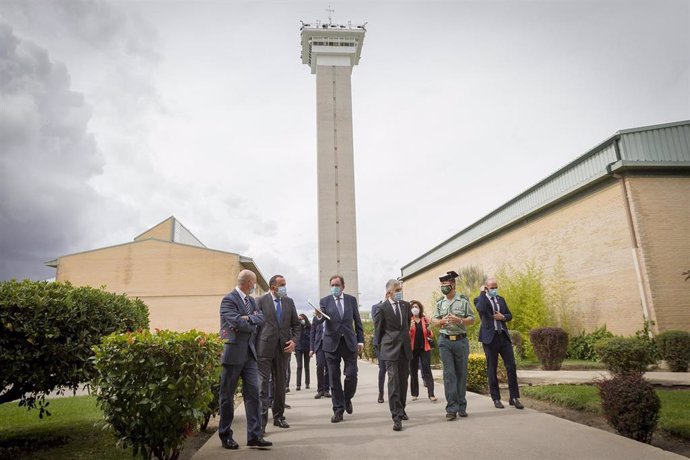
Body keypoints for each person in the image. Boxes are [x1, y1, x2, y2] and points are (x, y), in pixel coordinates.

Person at [218, 269, 272, 449]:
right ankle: (225, 435)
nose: (255, 286)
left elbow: (261, 318)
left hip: (249, 355)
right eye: (254, 283)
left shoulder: (251, 300)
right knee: (227, 397)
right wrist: (250, 321)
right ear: (249, 282)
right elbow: (236, 322)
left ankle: (254, 436)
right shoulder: (228, 300)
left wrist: (247, 318)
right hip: (233, 354)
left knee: (253, 395)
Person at [314, 275, 364, 423]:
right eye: (332, 285)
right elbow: (320, 320)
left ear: (343, 286)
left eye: (337, 285)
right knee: (334, 379)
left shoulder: (351, 300)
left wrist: (360, 340)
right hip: (331, 345)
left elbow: (357, 321)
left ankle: (347, 397)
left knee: (352, 374)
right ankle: (338, 410)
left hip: (349, 343)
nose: (334, 288)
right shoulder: (325, 301)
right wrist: (318, 316)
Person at [256, 274, 300, 433]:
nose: (284, 288)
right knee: (262, 385)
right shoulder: (260, 301)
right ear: (273, 287)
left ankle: (279, 417)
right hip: (264, 349)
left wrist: (294, 341)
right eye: (282, 285)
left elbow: (296, 325)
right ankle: (260, 423)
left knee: (280, 384)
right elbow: (255, 327)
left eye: (285, 284)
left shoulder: (289, 302)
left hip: (284, 349)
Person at [432, 270, 475, 421]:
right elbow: (434, 321)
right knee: (449, 375)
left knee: (461, 374)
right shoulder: (439, 303)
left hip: (460, 341)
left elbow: (472, 319)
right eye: (442, 284)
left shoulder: (463, 301)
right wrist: (441, 321)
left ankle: (462, 406)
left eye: (446, 284)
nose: (443, 287)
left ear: (453, 284)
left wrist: (460, 320)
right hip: (445, 341)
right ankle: (451, 408)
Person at [474, 277, 523, 410]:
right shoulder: (480, 299)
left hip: (503, 337)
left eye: (496, 287)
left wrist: (503, 317)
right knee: (492, 368)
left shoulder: (501, 299)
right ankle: (496, 398)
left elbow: (509, 315)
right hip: (490, 339)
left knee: (511, 366)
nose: (494, 290)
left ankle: (514, 397)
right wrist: (482, 293)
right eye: (491, 287)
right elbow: (481, 309)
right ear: (486, 287)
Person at [374, 279, 412, 431]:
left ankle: (401, 409)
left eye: (400, 289)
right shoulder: (382, 308)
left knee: (403, 381)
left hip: (404, 349)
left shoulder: (406, 305)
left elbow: (406, 326)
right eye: (397, 290)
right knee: (393, 382)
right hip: (389, 350)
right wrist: (379, 350)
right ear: (389, 292)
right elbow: (378, 330)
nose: (399, 292)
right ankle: (396, 416)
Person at [408, 300, 436, 402]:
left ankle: (431, 394)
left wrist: (429, 330)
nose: (415, 308)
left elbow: (431, 334)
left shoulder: (424, 319)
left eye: (417, 307)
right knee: (413, 371)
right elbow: (407, 336)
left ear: (420, 309)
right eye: (413, 307)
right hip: (412, 349)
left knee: (427, 370)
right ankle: (414, 394)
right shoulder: (409, 320)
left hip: (425, 348)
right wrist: (410, 328)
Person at [310, 314, 331, 399]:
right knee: (320, 365)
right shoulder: (315, 319)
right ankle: (320, 390)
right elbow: (312, 334)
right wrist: (311, 349)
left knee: (329, 367)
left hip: (329, 345)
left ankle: (326, 390)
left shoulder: (329, 317)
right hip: (319, 345)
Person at [371, 299, 386, 403]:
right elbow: (376, 323)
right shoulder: (376, 307)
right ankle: (381, 393)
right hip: (380, 344)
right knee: (383, 369)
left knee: (394, 372)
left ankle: (395, 396)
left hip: (394, 343)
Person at [295, 313, 311, 391]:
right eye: (299, 319)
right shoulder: (297, 327)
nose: (300, 320)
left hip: (307, 348)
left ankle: (307, 383)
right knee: (299, 366)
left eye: (301, 319)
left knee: (306, 366)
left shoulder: (309, 327)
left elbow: (311, 337)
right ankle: (298, 385)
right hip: (298, 348)